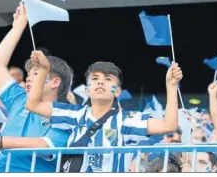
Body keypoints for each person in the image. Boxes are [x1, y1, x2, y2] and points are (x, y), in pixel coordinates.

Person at [25, 51, 183, 172]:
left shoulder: (127, 120)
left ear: (117, 91)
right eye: (94, 78)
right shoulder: (74, 114)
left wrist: (171, 86)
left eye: (108, 79)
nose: (100, 81)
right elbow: (33, 104)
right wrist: (44, 70)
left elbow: (168, 125)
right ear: (87, 90)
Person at [0, 3, 72, 172]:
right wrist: (18, 27)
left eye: (36, 74)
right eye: (28, 75)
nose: (28, 79)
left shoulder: (67, 115)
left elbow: (46, 145)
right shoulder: (19, 99)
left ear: (55, 82)